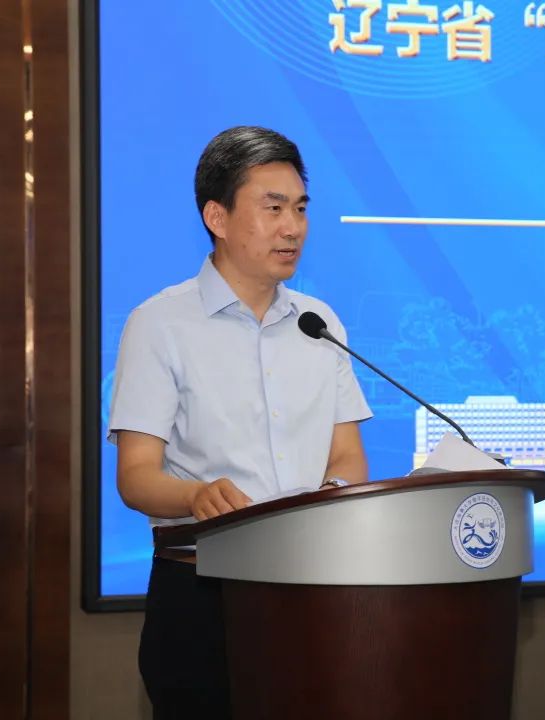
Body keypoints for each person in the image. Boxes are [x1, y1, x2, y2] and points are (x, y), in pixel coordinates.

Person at [107, 126, 372, 718]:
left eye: (300, 208)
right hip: (202, 593)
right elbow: (136, 476)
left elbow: (348, 457)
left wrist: (328, 499)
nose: (293, 227)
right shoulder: (160, 323)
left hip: (311, 583)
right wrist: (196, 495)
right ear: (217, 217)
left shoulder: (319, 323)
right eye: (273, 208)